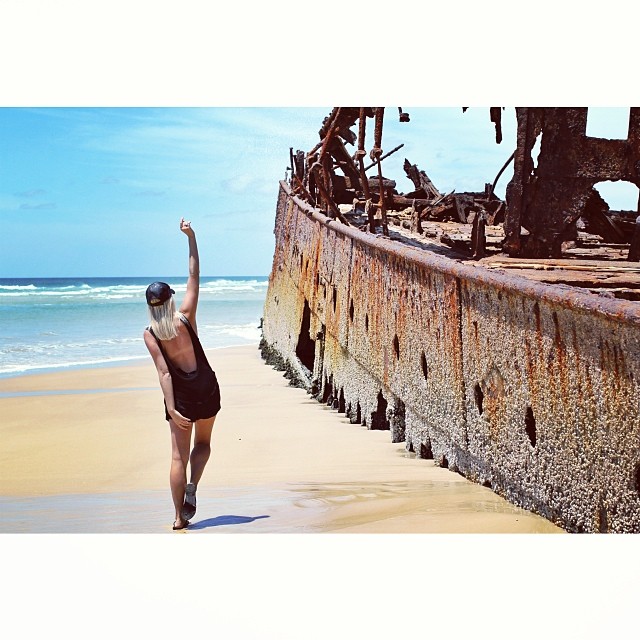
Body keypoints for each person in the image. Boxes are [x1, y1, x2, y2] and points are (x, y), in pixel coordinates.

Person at [143, 218, 221, 530]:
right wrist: (191, 237)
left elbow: (164, 373)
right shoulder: (185, 316)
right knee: (203, 443)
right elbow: (193, 275)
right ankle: (193, 486)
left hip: (181, 397)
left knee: (178, 457)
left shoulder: (150, 334)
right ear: (170, 300)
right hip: (206, 386)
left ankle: (178, 518)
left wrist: (172, 409)